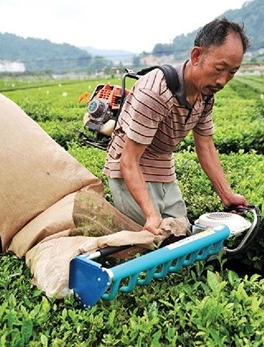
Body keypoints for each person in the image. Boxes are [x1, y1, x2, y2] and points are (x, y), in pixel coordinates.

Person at [103, 17, 251, 235]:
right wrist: (150, 214)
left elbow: (206, 146)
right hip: (130, 173)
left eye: (232, 72)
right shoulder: (155, 92)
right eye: (219, 68)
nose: (222, 80)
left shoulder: (205, 94)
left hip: (163, 169)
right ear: (196, 56)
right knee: (151, 242)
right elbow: (129, 161)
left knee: (182, 236)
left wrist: (226, 194)